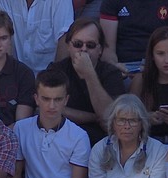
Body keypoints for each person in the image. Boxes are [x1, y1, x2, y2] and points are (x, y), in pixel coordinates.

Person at [10, 70, 89, 178]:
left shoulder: (79, 136)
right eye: (46, 99)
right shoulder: (21, 129)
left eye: (57, 99)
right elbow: (15, 173)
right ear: (36, 99)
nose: (51, 105)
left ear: (66, 100)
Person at [86, 94, 167, 178]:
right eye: (121, 120)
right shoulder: (99, 149)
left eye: (133, 120)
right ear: (113, 123)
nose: (127, 126)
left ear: (142, 124)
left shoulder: (157, 150)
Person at [49, 17, 126, 145]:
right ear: (68, 46)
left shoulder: (111, 73)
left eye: (90, 45)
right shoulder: (57, 70)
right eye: (78, 44)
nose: (83, 49)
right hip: (61, 141)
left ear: (100, 49)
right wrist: (94, 117)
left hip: (101, 144)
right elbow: (53, 109)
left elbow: (109, 118)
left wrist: (89, 74)